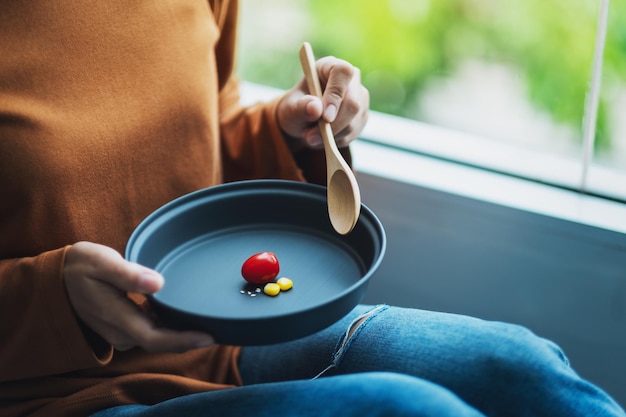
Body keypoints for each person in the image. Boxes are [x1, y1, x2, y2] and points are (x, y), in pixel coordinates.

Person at [0, 1, 624, 416]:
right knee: (407, 410)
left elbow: (207, 132)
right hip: (56, 395)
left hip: (225, 336)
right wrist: (56, 298)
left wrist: (286, 132)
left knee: (518, 365)